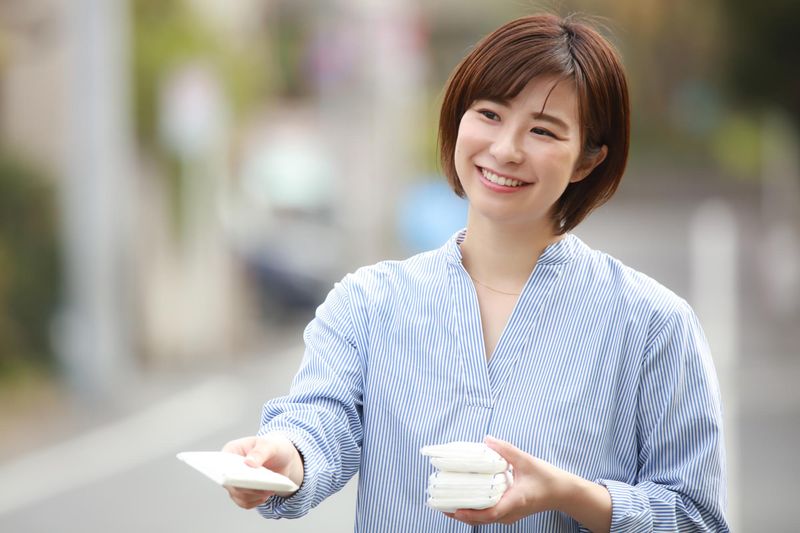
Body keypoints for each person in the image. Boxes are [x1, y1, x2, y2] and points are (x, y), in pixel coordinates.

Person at [223, 13, 729, 532]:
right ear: (459, 118)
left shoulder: (652, 324)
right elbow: (321, 420)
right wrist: (286, 456)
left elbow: (697, 520)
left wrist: (572, 495)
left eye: (542, 130)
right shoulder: (369, 303)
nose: (506, 149)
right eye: (489, 114)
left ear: (588, 160)